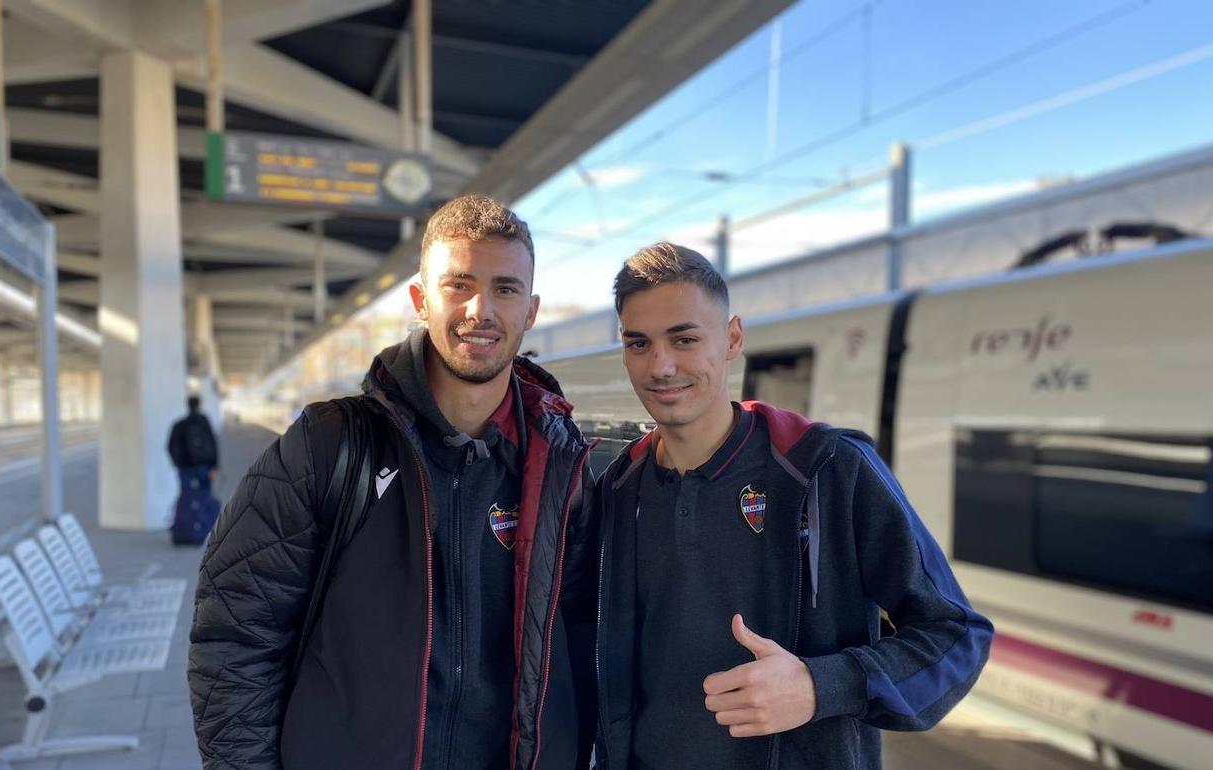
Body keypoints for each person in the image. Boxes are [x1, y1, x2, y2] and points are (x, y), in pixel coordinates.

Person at [187, 195, 598, 770]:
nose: (481, 308)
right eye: (458, 284)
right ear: (420, 300)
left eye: (505, 289)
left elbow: (582, 640)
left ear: (529, 311)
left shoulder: (560, 467)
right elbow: (235, 634)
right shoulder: (327, 445)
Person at [592, 243, 993, 770]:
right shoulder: (617, 488)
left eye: (684, 339)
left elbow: (957, 635)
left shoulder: (827, 468)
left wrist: (818, 686)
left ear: (732, 338)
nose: (661, 365)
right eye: (638, 343)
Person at [167, 395, 218, 494]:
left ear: (187, 405)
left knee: (187, 499)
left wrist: (178, 463)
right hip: (204, 466)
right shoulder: (204, 422)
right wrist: (215, 466)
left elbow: (170, 446)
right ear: (199, 405)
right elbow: (213, 443)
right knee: (205, 497)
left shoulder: (179, 424)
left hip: (185, 467)